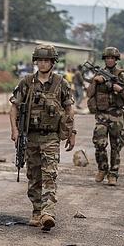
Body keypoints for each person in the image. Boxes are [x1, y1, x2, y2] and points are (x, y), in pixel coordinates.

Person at [10, 44, 76, 231]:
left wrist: (72, 133)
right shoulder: (26, 82)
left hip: (51, 138)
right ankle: (37, 210)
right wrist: (14, 130)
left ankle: (48, 213)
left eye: (47, 60)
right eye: (40, 60)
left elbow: (69, 110)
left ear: (53, 62)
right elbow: (14, 107)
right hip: (30, 136)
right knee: (33, 175)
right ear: (36, 61)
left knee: (50, 175)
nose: (43, 63)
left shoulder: (61, 83)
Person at [88, 47, 124, 185]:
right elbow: (89, 94)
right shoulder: (98, 73)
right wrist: (95, 81)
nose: (110, 60)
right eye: (107, 58)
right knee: (99, 143)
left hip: (116, 114)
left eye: (112, 58)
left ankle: (113, 173)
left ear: (116, 60)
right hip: (101, 114)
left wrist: (119, 89)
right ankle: (102, 168)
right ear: (104, 59)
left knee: (116, 145)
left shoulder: (121, 75)